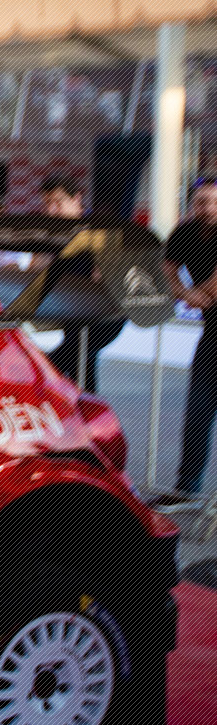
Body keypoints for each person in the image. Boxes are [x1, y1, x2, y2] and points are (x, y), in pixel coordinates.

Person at [150, 178, 217, 507]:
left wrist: (194, 294)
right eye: (202, 202)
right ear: (192, 204)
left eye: (214, 202)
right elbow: (166, 270)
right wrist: (185, 293)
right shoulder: (185, 232)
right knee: (198, 408)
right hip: (212, 329)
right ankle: (187, 487)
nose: (209, 208)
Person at [41, 174, 123, 392]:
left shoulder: (97, 228)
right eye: (47, 203)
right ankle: (84, 409)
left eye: (58, 202)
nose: (52, 210)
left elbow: (104, 275)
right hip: (74, 313)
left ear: (76, 199)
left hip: (103, 315)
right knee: (82, 371)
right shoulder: (57, 233)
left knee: (51, 367)